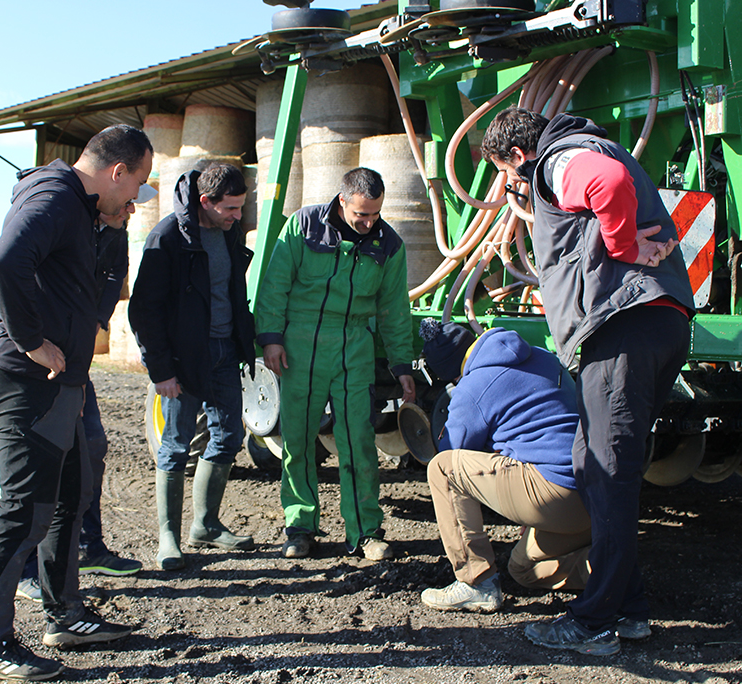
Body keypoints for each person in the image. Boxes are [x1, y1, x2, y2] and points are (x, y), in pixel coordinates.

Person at [481, 106, 695, 655]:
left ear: (518, 156)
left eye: (506, 171)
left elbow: (606, 183)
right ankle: (630, 609)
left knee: (610, 471)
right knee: (591, 463)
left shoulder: (557, 159)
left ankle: (596, 619)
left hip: (623, 327)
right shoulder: (588, 148)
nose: (508, 184)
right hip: (653, 323)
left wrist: (622, 250)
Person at [0, 124, 153, 681]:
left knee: (70, 498)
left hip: (59, 383)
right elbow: (6, 261)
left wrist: (71, 373)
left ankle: (64, 615)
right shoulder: (53, 196)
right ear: (116, 171)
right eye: (138, 183)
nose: (135, 198)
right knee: (24, 512)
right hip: (23, 378)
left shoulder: (80, 207)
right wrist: (31, 340)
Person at [0, 188, 157, 604]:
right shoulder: (60, 218)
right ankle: (26, 571)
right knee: (29, 477)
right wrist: (33, 342)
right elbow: (14, 272)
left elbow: (105, 292)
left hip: (73, 363)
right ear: (112, 181)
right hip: (30, 365)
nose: (133, 207)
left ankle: (88, 546)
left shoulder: (112, 233)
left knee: (88, 448)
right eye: (130, 195)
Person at [255, 167, 416, 561]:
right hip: (300, 343)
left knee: (358, 441)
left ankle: (365, 532)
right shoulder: (303, 225)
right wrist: (271, 338)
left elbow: (395, 308)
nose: (367, 223)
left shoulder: (388, 244)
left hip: (354, 346)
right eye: (361, 214)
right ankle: (300, 527)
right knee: (298, 438)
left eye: (375, 215)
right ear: (342, 200)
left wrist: (402, 363)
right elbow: (275, 284)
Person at [129, 162, 257, 572]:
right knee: (176, 444)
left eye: (241, 207)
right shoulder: (168, 237)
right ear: (206, 201)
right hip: (183, 360)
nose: (239, 216)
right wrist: (161, 370)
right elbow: (143, 312)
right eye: (232, 208)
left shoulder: (228, 232)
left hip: (224, 351)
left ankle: (205, 525)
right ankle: (168, 536)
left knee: (229, 435)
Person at [416, 319, 591, 615]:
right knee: (524, 569)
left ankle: (476, 583)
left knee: (443, 469)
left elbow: (453, 452)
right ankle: (607, 570)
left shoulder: (473, 388)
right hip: (597, 497)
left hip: (555, 496)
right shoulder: (541, 357)